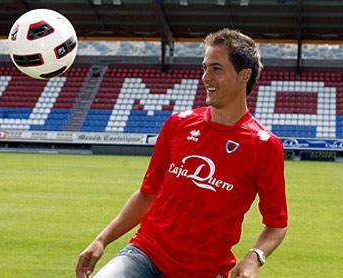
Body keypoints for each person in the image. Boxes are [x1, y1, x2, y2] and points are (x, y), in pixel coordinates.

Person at [76, 28, 288, 278]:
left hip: (204, 271)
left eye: (216, 68)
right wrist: (101, 240)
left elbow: (277, 223)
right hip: (145, 254)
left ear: (245, 75)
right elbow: (148, 193)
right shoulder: (178, 123)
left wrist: (255, 257)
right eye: (205, 67)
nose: (206, 77)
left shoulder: (264, 145)